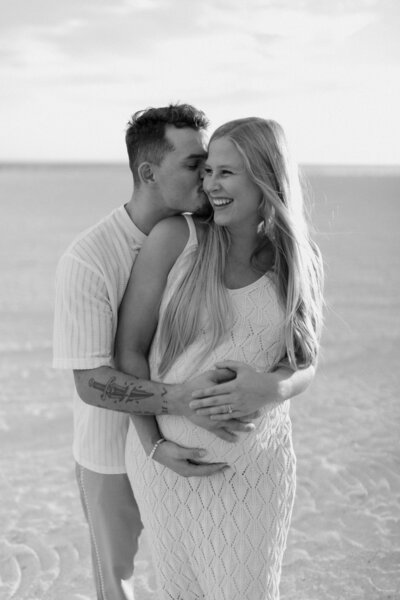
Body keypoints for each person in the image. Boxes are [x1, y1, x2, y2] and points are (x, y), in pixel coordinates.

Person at [53, 105, 314, 600]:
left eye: (217, 167)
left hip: (243, 468)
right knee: (121, 586)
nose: (208, 180)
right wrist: (164, 430)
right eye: (198, 166)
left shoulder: (256, 248)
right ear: (149, 173)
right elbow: (93, 380)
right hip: (116, 453)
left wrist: (272, 386)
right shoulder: (92, 260)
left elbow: (302, 354)